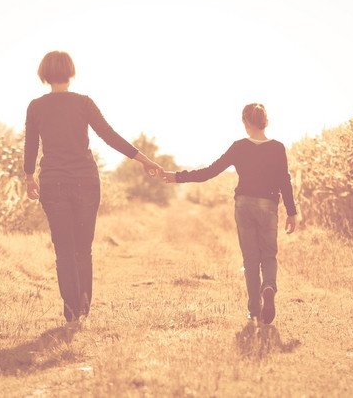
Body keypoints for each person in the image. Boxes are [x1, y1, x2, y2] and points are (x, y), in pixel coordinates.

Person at [23, 51, 163, 323]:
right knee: (82, 249)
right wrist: (143, 159)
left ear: (44, 74)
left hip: (54, 182)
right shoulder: (83, 103)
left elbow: (30, 145)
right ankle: (83, 307)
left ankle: (71, 310)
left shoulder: (36, 106)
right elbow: (109, 135)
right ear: (70, 72)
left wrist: (29, 177)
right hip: (85, 181)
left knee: (63, 250)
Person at [162, 103, 297, 324]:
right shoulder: (277, 148)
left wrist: (177, 177)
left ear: (245, 122)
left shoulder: (239, 147)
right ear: (265, 121)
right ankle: (269, 286)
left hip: (244, 205)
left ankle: (254, 309)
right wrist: (291, 212)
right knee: (268, 255)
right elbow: (285, 180)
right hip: (268, 205)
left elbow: (210, 172)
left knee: (250, 258)